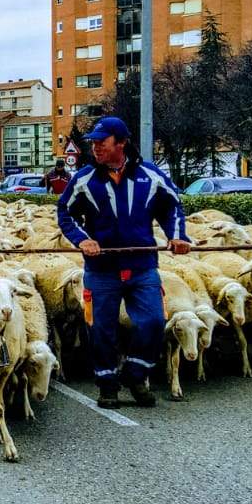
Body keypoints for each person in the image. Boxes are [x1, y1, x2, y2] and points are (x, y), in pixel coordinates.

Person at [55, 117, 190, 410]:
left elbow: (172, 205)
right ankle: (107, 384)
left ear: (121, 142)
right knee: (101, 328)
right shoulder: (84, 179)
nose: (95, 147)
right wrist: (82, 240)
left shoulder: (149, 175)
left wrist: (177, 236)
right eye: (93, 142)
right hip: (102, 268)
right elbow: (64, 212)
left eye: (101, 142)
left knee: (154, 320)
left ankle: (136, 373)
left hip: (142, 265)